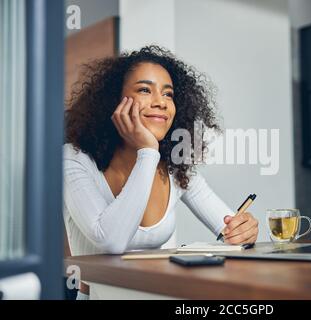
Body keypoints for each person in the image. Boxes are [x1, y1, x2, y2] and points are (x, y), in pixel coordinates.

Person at [63, 45, 259, 299]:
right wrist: (147, 151)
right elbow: (110, 241)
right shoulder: (74, 159)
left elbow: (230, 229)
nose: (161, 103)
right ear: (114, 100)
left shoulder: (176, 169)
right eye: (145, 90)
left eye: (168, 95)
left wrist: (244, 230)